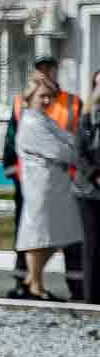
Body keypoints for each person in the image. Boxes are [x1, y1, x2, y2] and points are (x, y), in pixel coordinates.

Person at [3, 54, 86, 299]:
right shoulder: (30, 121)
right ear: (29, 98)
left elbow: (72, 140)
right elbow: (61, 149)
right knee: (39, 235)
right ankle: (35, 285)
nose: (47, 99)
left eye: (49, 96)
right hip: (41, 185)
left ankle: (32, 280)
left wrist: (74, 149)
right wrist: (74, 152)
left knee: (58, 235)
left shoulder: (50, 116)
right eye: (42, 96)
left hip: (57, 184)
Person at [76, 72, 100, 304]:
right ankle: (92, 298)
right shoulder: (86, 118)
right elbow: (79, 153)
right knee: (92, 246)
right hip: (89, 192)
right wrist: (96, 175)